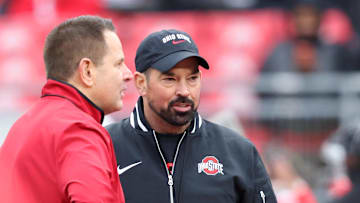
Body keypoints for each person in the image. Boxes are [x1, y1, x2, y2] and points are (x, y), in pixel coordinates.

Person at [106, 29, 277, 203]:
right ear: (141, 84)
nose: (184, 91)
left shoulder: (239, 151)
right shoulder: (104, 146)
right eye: (170, 79)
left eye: (192, 78)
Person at [0, 15, 133, 202]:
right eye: (118, 64)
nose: (128, 74)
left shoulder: (23, 125)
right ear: (87, 71)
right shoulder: (77, 129)